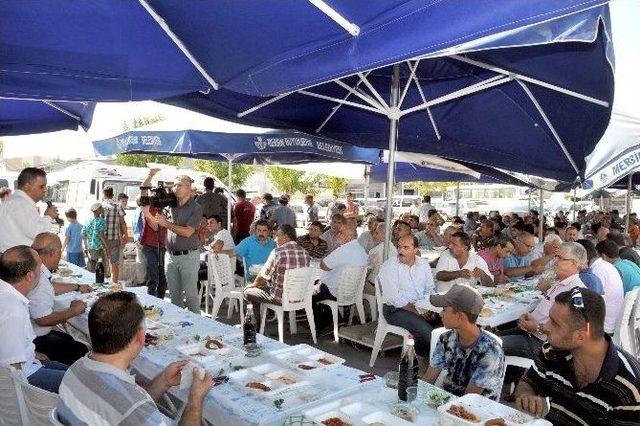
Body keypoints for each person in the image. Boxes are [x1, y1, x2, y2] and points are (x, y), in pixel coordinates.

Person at [57, 292, 213, 425]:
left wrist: (164, 380)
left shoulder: (76, 368)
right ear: (140, 336)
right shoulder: (133, 407)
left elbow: (125, 403)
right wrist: (195, 400)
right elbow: (130, 406)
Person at [515, 288, 640, 424]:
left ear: (580, 335)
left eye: (554, 323)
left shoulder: (629, 391)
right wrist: (526, 395)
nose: (545, 327)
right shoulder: (552, 351)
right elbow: (528, 382)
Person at [500, 242, 587, 360]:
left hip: (541, 344)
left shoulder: (575, 291)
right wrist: (530, 318)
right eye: (556, 257)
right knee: (490, 338)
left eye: (560, 258)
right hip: (531, 333)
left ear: (574, 263)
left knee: (489, 344)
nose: (555, 261)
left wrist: (536, 328)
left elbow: (568, 333)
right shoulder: (559, 283)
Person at [0, 245, 68, 393]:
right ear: (30, 276)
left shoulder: (7, 294)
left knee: (72, 372)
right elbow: (13, 369)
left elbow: (9, 344)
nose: (42, 270)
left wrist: (32, 353)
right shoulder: (14, 308)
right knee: (80, 385)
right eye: (40, 267)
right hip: (24, 377)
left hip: (29, 363)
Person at [426, 284, 505, 401]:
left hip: (476, 412)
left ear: (460, 316)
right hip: (446, 403)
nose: (440, 314)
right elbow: (427, 381)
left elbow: (468, 402)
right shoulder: (446, 338)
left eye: (444, 310)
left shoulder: (490, 351)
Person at [28, 233, 91, 365]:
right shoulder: (37, 277)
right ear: (52, 252)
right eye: (59, 251)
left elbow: (50, 287)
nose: (60, 255)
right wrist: (74, 310)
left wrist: (77, 286)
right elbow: (44, 319)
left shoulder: (36, 269)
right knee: (82, 351)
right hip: (34, 339)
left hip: (34, 334)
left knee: (69, 339)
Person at [379, 234, 435, 365]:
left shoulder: (423, 264)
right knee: (429, 334)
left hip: (421, 307)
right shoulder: (390, 266)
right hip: (395, 310)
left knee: (446, 328)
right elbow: (394, 298)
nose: (400, 251)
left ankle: (438, 363)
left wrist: (428, 308)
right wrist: (418, 312)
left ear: (415, 250)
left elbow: (430, 289)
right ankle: (423, 360)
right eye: (399, 247)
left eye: (406, 247)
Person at [155, 175, 203, 314]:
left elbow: (188, 232)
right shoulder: (170, 204)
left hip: (188, 257)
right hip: (170, 256)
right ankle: (178, 327)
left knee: (190, 296)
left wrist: (167, 224)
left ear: (189, 188)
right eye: (174, 185)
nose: (175, 188)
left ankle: (197, 328)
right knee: (174, 296)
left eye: (179, 185)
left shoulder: (196, 207)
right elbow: (158, 222)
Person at [244, 225, 310, 322]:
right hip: (299, 297)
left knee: (247, 292)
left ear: (286, 236)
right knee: (263, 287)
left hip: (279, 298)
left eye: (277, 236)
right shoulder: (305, 253)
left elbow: (263, 276)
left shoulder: (278, 252)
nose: (275, 239)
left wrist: (253, 285)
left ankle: (253, 327)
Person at [315, 226, 368, 326]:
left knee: (309, 293)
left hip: (335, 292)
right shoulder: (361, 250)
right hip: (351, 292)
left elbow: (324, 265)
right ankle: (336, 319)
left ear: (349, 236)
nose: (337, 235)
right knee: (317, 286)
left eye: (341, 233)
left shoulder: (344, 250)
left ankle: (323, 324)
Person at [0, 167, 58, 252]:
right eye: (42, 186)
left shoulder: (12, 201)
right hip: (17, 260)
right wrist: (48, 217)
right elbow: (37, 234)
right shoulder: (22, 204)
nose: (45, 190)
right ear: (27, 186)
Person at [577, 239, 623, 335]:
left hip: (604, 327)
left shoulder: (596, 271)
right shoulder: (605, 265)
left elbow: (589, 307)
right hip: (613, 321)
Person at [101, 186, 127, 283]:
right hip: (114, 238)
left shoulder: (99, 206)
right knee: (114, 263)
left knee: (102, 262)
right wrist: (125, 236)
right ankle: (114, 284)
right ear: (112, 195)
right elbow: (122, 222)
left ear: (103, 194)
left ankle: (101, 283)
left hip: (101, 239)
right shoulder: (117, 206)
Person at [366, 221, 395, 294]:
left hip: (376, 286)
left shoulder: (375, 251)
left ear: (385, 234)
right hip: (390, 286)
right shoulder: (394, 249)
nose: (374, 236)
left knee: (357, 287)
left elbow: (367, 270)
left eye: (377, 233)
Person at [82, 202, 109, 272]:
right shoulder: (101, 221)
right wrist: (107, 247)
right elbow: (102, 236)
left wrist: (86, 247)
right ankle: (100, 282)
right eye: (101, 208)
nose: (102, 209)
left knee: (92, 268)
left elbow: (83, 235)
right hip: (99, 248)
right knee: (101, 269)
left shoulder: (87, 221)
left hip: (90, 248)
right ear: (97, 210)